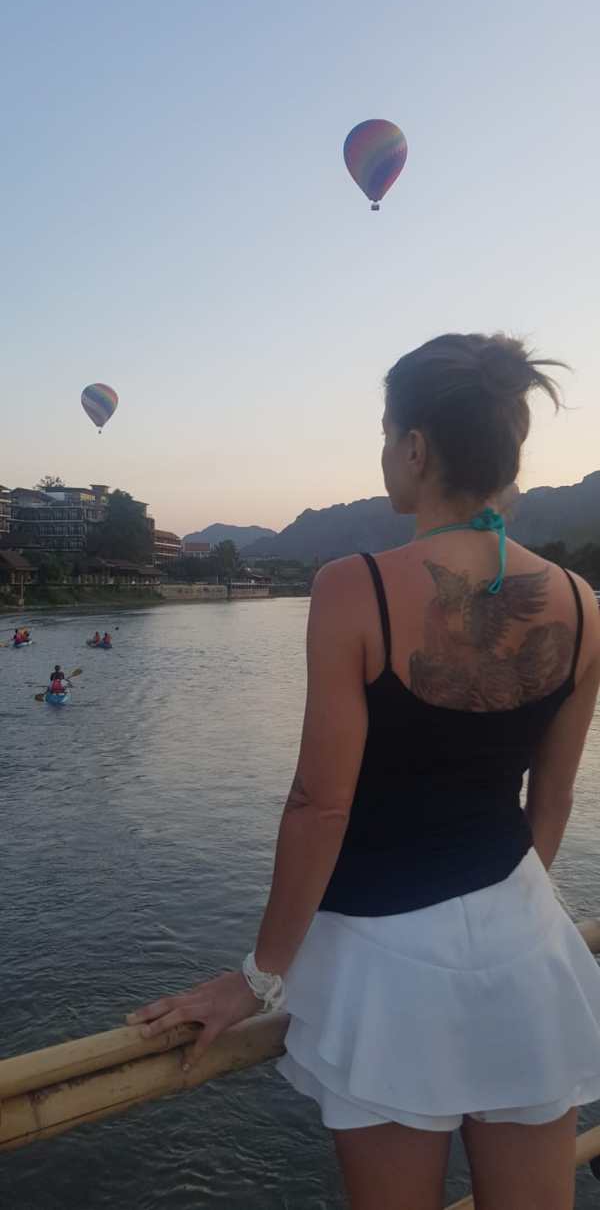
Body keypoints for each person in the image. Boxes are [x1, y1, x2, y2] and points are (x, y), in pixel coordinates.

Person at [128, 333, 600, 1210]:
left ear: (415, 447)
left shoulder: (355, 587)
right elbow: (555, 797)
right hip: (526, 944)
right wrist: (497, 917)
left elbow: (320, 803)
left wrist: (258, 975)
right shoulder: (582, 604)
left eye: (387, 434)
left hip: (387, 967)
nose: (384, 452)